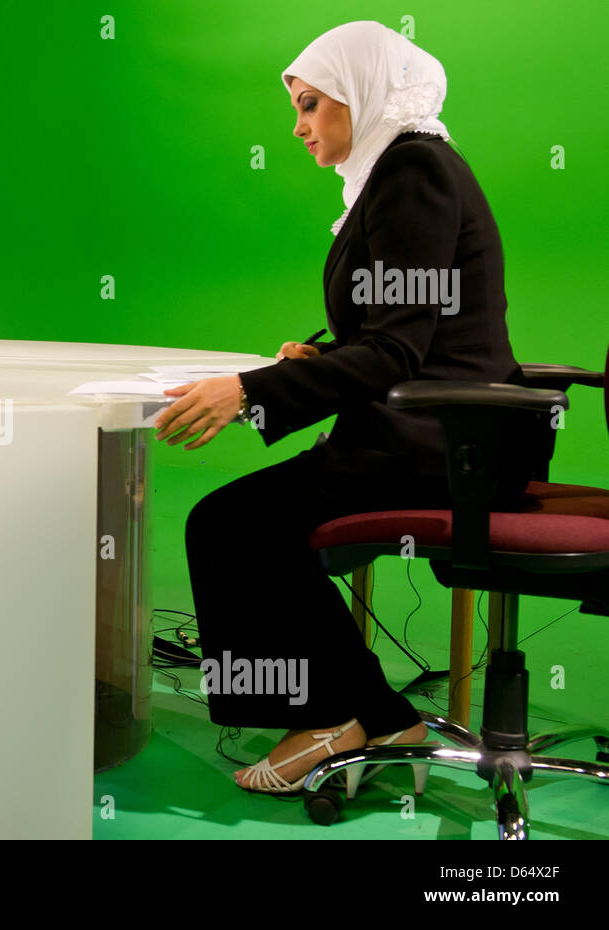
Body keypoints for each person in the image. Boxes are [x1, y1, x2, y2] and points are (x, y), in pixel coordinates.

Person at [152, 22, 531, 794]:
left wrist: (249, 394)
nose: (298, 127)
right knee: (239, 524)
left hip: (446, 447)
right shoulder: (396, 170)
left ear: (363, 94)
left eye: (312, 105)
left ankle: (338, 715)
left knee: (234, 526)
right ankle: (370, 713)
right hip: (431, 431)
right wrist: (323, 359)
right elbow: (408, 334)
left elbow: (396, 351)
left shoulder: (414, 171)